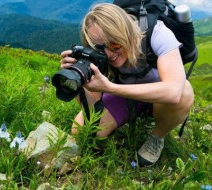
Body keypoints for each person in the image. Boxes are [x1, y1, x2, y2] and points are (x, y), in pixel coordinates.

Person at [60, 3, 194, 167]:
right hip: (124, 94)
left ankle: (157, 137)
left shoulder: (157, 34)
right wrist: (77, 82)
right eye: (100, 48)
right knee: (82, 132)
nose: (109, 54)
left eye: (115, 44)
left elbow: (174, 91)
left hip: (161, 97)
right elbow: (93, 108)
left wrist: (110, 88)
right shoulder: (100, 55)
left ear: (127, 33)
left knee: (184, 92)